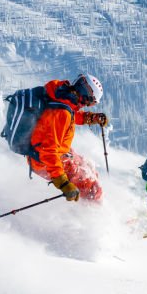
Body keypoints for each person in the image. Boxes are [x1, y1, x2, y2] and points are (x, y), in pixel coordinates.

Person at [28, 74, 108, 202]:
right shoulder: (61, 112)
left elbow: (71, 115)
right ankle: (96, 214)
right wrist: (62, 182)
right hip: (45, 160)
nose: (87, 105)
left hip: (55, 152)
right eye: (91, 102)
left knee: (88, 167)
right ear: (86, 96)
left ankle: (93, 203)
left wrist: (92, 118)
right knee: (92, 188)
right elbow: (48, 151)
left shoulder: (60, 95)